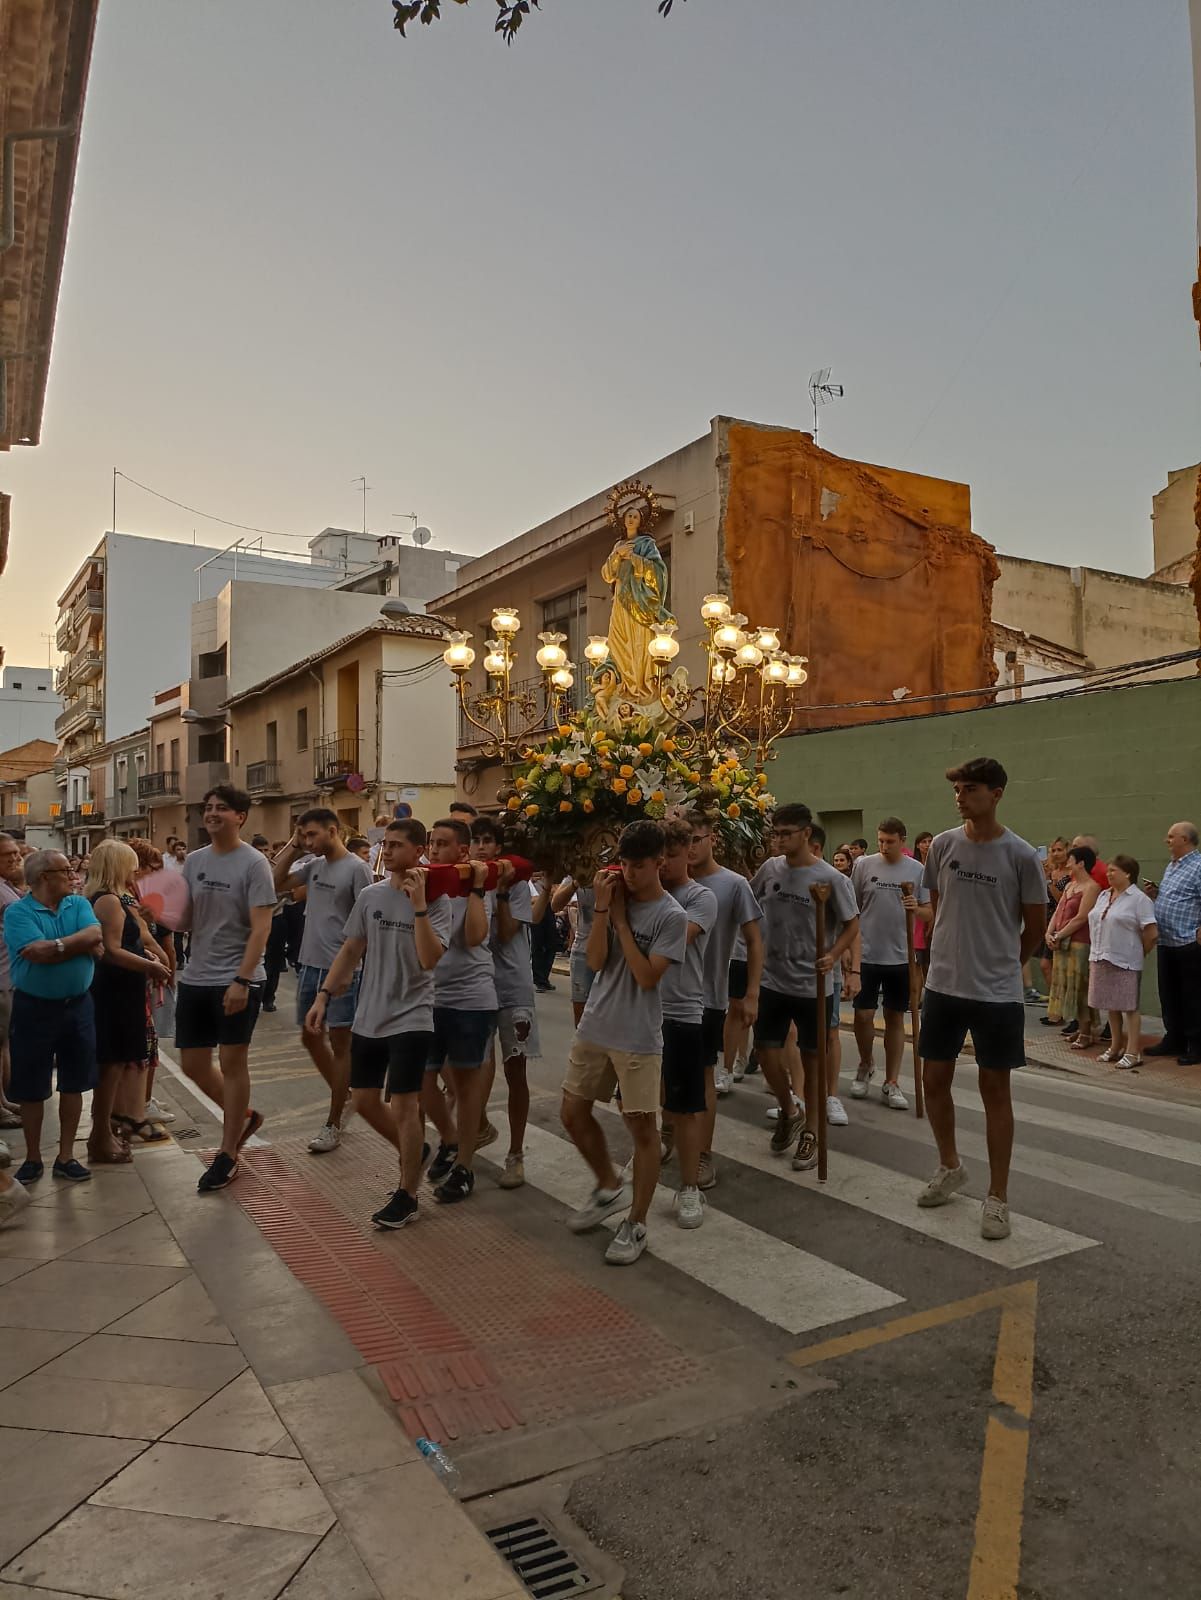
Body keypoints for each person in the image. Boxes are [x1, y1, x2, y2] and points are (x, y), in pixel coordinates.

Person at [916, 757, 1046, 1242]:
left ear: (996, 794)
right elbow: (936, 906)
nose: (960, 795)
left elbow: (1034, 926)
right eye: (956, 789)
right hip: (944, 985)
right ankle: (949, 1164)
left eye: (970, 788)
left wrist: (1008, 963)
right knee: (933, 1080)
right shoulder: (944, 846)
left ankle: (998, 1197)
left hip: (996, 993)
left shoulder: (1020, 855)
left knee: (996, 1091)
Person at [305, 818, 452, 1229]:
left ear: (418, 851)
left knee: (405, 1106)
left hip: (413, 1016)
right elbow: (351, 949)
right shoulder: (370, 896)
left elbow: (429, 958)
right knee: (366, 1101)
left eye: (397, 845)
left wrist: (420, 905)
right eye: (385, 844)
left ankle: (407, 1194)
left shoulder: (439, 903)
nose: (387, 851)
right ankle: (416, 1153)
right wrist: (323, 996)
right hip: (370, 1016)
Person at [561, 821, 686, 1264]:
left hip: (638, 1034)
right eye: (625, 865)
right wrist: (601, 912)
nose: (630, 874)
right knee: (572, 1112)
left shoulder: (672, 915)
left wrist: (621, 924)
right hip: (597, 1023)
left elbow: (647, 976)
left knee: (641, 1129)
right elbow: (594, 961)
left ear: (660, 863)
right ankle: (608, 1185)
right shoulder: (612, 899)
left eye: (639, 866)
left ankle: (637, 1222)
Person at [176, 784, 277, 1192]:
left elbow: (262, 927)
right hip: (196, 976)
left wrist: (242, 979)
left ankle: (229, 1151)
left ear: (241, 817)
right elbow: (186, 920)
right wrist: (159, 911)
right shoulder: (194, 861)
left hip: (237, 979)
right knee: (193, 1064)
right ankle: (246, 1117)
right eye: (209, 807)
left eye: (222, 808)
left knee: (233, 1064)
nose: (213, 812)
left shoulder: (254, 864)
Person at [750, 803, 859, 1171]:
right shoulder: (770, 869)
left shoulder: (831, 878)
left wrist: (835, 954)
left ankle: (811, 1131)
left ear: (806, 834)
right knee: (765, 1052)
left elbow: (851, 924)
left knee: (813, 1061)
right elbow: (750, 903)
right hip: (772, 978)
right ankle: (788, 1108)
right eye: (775, 833)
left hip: (813, 984)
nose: (778, 840)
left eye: (786, 834)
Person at [272, 809, 371, 1154]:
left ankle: (333, 1122)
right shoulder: (314, 866)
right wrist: (292, 846)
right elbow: (275, 882)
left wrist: (351, 967)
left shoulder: (357, 869)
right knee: (310, 1037)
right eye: (304, 835)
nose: (308, 841)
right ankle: (346, 1097)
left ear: (333, 830)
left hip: (341, 969)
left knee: (340, 1043)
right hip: (309, 964)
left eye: (312, 835)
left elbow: (366, 922)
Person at [3, 848, 104, 1188]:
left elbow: (94, 936)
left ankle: (66, 1156)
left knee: (75, 1082)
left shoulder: (78, 904)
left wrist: (57, 946)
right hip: (35, 1007)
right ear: (45, 877)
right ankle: (33, 1158)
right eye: (66, 871)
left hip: (78, 1005)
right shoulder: (18, 912)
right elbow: (35, 953)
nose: (73, 877)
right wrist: (76, 945)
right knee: (32, 1087)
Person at [83, 842, 173, 1164]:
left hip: (124, 989)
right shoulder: (108, 901)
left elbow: (130, 943)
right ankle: (100, 1137)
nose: (136, 871)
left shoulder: (114, 898)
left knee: (118, 1062)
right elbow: (111, 950)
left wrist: (145, 955)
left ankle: (107, 1132)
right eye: (131, 865)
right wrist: (149, 964)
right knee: (112, 1063)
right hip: (115, 992)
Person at [422, 817, 497, 1202]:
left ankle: (465, 1166)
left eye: (442, 844)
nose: (433, 850)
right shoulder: (426, 886)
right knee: (422, 1080)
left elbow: (473, 936)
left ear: (462, 851)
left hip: (471, 999)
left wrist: (477, 889)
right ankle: (450, 1140)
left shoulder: (476, 885)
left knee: (467, 1088)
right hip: (430, 997)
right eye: (431, 843)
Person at [470, 817, 539, 1189]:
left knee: (516, 1071)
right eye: (475, 840)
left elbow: (508, 931)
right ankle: (478, 1126)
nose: (481, 847)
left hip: (512, 987)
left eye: (487, 840)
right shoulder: (468, 882)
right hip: (476, 986)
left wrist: (499, 891)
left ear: (498, 847)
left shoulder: (516, 883)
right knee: (474, 1065)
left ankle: (516, 1153)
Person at [654, 822, 718, 1226]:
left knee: (687, 1105)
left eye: (671, 856)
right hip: (642, 1011)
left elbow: (680, 936)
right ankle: (652, 1153)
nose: (663, 865)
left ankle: (690, 1187)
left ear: (686, 853)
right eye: (656, 859)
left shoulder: (700, 897)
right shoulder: (641, 892)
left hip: (682, 1011)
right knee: (644, 1100)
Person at [688, 815, 763, 1152]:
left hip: (709, 996)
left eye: (696, 839)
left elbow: (755, 940)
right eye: (683, 841)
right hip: (666, 997)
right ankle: (668, 1134)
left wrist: (752, 993)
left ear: (712, 839)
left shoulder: (734, 884)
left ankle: (702, 1153)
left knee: (705, 1077)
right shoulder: (668, 881)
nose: (689, 848)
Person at [850, 818, 930, 1110]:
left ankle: (892, 1080)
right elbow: (852, 909)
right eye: (880, 840)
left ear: (903, 841)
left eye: (890, 841)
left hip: (901, 956)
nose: (884, 846)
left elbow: (930, 912)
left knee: (896, 1018)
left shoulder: (917, 870)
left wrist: (916, 908)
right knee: (862, 1015)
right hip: (868, 954)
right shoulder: (864, 866)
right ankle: (865, 1063)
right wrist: (850, 951)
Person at [1088, 855, 1157, 1070]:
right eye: (1108, 870)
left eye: (1113, 871)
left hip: (1125, 959)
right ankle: (1115, 1046)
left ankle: (1133, 1051)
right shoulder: (1103, 895)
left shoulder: (1139, 900)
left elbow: (1151, 932)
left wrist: (1140, 951)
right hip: (1101, 955)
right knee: (1111, 1004)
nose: (1108, 874)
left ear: (1127, 873)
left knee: (1129, 1007)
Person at [1145, 822, 1201, 1065]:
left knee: (1192, 996)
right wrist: (1156, 896)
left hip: (1188, 941)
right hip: (1166, 941)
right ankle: (1174, 1038)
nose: (1166, 841)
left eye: (1171, 837)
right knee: (1169, 994)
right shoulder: (1172, 866)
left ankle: (1197, 1045)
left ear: (1185, 840)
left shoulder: (1198, 866)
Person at [1045, 845, 1101, 1047]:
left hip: (1079, 943)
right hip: (1062, 942)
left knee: (1080, 987)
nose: (1067, 864)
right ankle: (1079, 1028)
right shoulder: (1070, 886)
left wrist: (1059, 934)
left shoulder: (1092, 888)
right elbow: (1059, 910)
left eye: (1071, 860)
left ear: (1081, 863)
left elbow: (1082, 917)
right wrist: (1049, 933)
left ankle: (1086, 1032)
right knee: (1068, 986)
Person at [0, 832, 27, 1130]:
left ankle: (3, 1100)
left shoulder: (7, 887)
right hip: (0, 977)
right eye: (7, 854)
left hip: (8, 977)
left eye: (16, 853)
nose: (15, 858)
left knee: (3, 1043)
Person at [552, 876, 595, 1025]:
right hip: (583, 950)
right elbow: (555, 904)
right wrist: (577, 882)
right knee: (581, 1017)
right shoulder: (579, 871)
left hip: (614, 952)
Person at [1036, 839, 1071, 1008]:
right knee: (1046, 965)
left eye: (1059, 850)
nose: (1055, 854)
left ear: (1067, 851)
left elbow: (1062, 901)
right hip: (1049, 924)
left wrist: (1050, 880)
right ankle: (1056, 1006)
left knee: (1052, 966)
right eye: (1053, 850)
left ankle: (1060, 1007)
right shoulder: (1051, 871)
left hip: (1064, 924)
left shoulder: (1070, 874)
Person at [912, 831, 934, 972]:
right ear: (917, 845)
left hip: (934, 911)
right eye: (924, 842)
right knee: (919, 960)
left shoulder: (937, 864)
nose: (927, 845)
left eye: (929, 841)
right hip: (919, 914)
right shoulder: (914, 867)